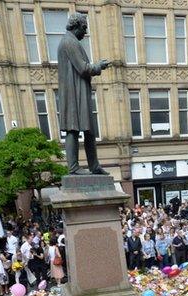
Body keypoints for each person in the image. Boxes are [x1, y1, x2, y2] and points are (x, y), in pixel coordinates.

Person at [57, 13, 110, 175]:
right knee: (72, 129)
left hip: (79, 92)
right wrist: (99, 66)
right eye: (84, 28)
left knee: (89, 130)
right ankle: (73, 167)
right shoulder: (69, 42)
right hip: (74, 94)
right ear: (76, 25)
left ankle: (94, 166)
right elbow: (83, 68)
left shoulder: (70, 42)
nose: (85, 32)